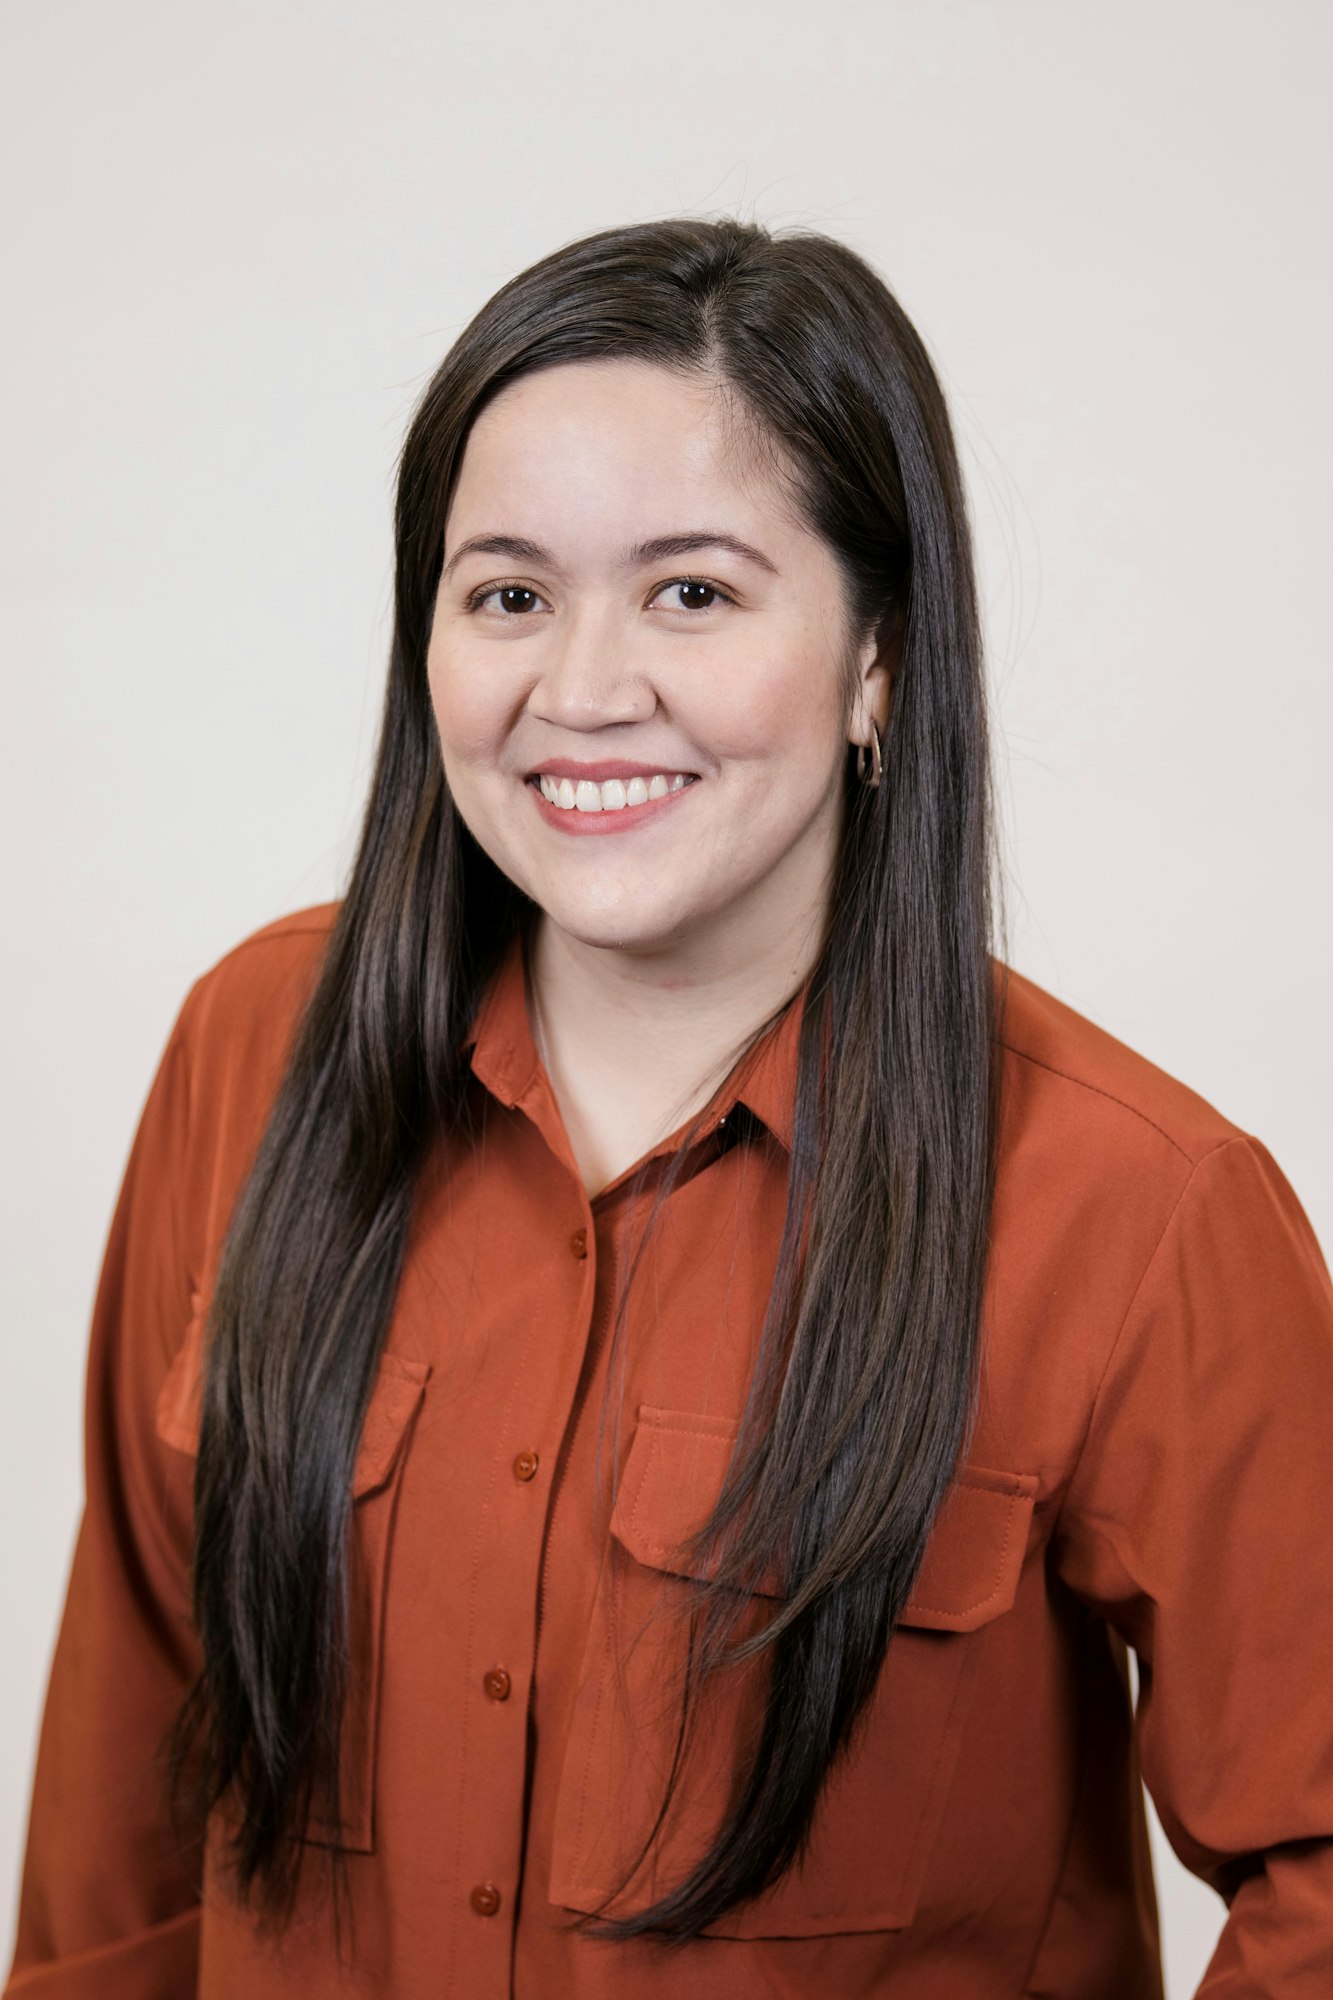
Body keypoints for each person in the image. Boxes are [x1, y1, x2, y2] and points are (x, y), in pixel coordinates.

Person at [6, 215, 1332, 2000]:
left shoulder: (1143, 1207)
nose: (581, 691)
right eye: (508, 594)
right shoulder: (257, 1049)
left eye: (692, 590)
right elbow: (131, 1765)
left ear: (877, 657)